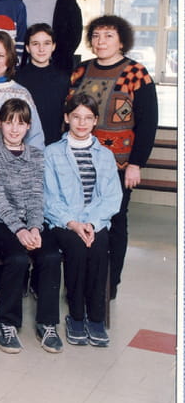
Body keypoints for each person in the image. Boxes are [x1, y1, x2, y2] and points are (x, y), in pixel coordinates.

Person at [69, 15, 158, 299]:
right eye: (96, 35)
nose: (101, 41)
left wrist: (136, 164)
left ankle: (108, 286)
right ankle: (81, 281)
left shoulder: (136, 72)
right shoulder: (80, 71)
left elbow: (148, 123)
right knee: (81, 219)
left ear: (121, 41)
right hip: (80, 160)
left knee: (114, 222)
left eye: (108, 35)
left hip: (119, 164)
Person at [0, 99, 62, 354]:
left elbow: (37, 195)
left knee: (50, 256)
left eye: (21, 123)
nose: (14, 129)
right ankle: (5, 323)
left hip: (30, 222)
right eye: (9, 122)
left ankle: (47, 323)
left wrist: (35, 227)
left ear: (28, 126)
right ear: (0, 124)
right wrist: (19, 229)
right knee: (17, 258)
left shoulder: (36, 155)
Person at [44, 93, 122, 347]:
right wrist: (74, 224)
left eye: (88, 118)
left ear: (95, 121)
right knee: (77, 249)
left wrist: (92, 224)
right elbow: (49, 198)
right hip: (64, 222)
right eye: (76, 117)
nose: (81, 123)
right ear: (67, 118)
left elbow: (112, 197)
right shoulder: (52, 153)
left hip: (96, 222)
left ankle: (96, 318)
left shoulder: (105, 155)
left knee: (99, 248)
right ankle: (76, 316)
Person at [15, 23, 70, 146]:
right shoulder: (17, 79)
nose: (41, 49)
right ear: (27, 48)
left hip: (56, 144)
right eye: (35, 44)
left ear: (53, 46)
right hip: (25, 144)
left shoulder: (63, 79)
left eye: (46, 43)